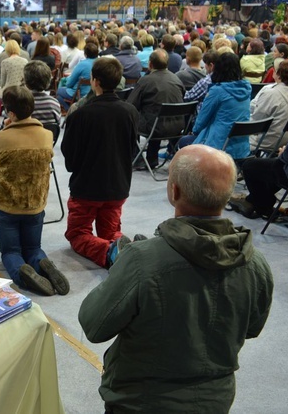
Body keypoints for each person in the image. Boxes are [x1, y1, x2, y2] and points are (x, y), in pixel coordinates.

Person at [79, 144, 273, 413]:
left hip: (140, 401)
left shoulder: (140, 260)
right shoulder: (256, 263)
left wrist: (123, 270)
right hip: (216, 400)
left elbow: (93, 325)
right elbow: (252, 327)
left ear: (174, 191)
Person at [0, 84, 69, 296]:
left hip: (6, 204)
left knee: (11, 251)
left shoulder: (1, 138)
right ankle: (43, 265)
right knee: (33, 248)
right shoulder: (46, 135)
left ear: (10, 113)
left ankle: (23, 274)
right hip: (35, 203)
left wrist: (5, 129)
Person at [62, 57, 139, 269]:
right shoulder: (130, 112)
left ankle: (110, 252)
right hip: (118, 187)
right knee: (111, 232)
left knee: (77, 234)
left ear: (94, 81)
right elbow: (132, 150)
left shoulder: (80, 115)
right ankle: (128, 249)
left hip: (86, 189)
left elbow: (69, 156)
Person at [229, 78, 288, 219]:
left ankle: (261, 205)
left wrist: (284, 153)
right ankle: (258, 201)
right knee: (273, 166)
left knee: (251, 166)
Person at [177, 52, 251, 160]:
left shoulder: (217, 91)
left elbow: (201, 121)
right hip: (241, 147)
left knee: (183, 141)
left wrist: (194, 131)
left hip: (217, 146)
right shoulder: (246, 88)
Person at [127, 49, 186, 169]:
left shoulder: (146, 80)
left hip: (155, 127)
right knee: (155, 115)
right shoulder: (176, 79)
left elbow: (130, 105)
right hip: (178, 126)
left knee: (131, 119)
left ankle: (136, 158)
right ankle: (151, 159)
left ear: (150, 64)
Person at [249, 59, 288, 152]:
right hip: (287, 143)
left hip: (264, 143)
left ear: (279, 75)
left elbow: (256, 123)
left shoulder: (271, 93)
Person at [0, 39, 28, 126]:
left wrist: (1, 87)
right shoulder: (25, 61)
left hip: (9, 91)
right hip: (22, 90)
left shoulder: (5, 62)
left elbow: (2, 82)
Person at [56, 41, 99, 112]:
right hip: (96, 93)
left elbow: (70, 83)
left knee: (59, 91)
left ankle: (70, 110)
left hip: (80, 93)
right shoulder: (101, 63)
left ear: (85, 54)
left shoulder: (82, 64)